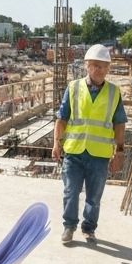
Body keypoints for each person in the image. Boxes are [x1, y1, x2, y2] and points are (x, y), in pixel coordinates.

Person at [52, 44, 127, 244]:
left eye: (103, 66)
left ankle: (89, 228)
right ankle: (69, 227)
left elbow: (119, 123)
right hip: (74, 151)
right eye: (94, 65)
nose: (98, 70)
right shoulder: (74, 88)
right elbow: (62, 118)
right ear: (86, 66)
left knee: (94, 197)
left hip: (99, 155)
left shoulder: (114, 92)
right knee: (70, 192)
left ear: (108, 68)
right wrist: (56, 144)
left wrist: (119, 152)